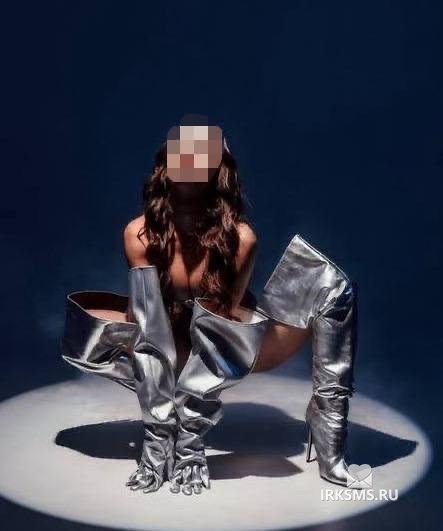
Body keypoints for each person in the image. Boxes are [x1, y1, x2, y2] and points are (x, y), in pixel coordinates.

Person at [61, 114, 358, 496]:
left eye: (201, 153)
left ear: (218, 170)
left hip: (230, 349)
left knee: (333, 286)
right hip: (165, 345)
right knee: (88, 329)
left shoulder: (241, 239)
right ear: (164, 164)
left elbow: (220, 340)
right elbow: (149, 336)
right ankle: (163, 428)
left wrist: (190, 446)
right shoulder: (138, 234)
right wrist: (156, 442)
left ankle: (328, 429)